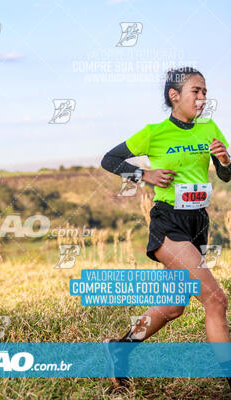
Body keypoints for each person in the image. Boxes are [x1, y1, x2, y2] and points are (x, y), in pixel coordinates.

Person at [101, 67, 231, 389]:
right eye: (195, 91)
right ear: (175, 96)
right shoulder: (154, 132)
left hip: (198, 220)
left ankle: (121, 349)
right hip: (168, 221)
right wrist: (144, 175)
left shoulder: (209, 128)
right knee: (215, 299)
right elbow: (109, 159)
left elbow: (226, 176)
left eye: (204, 92)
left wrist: (226, 161)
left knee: (173, 306)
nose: (202, 98)